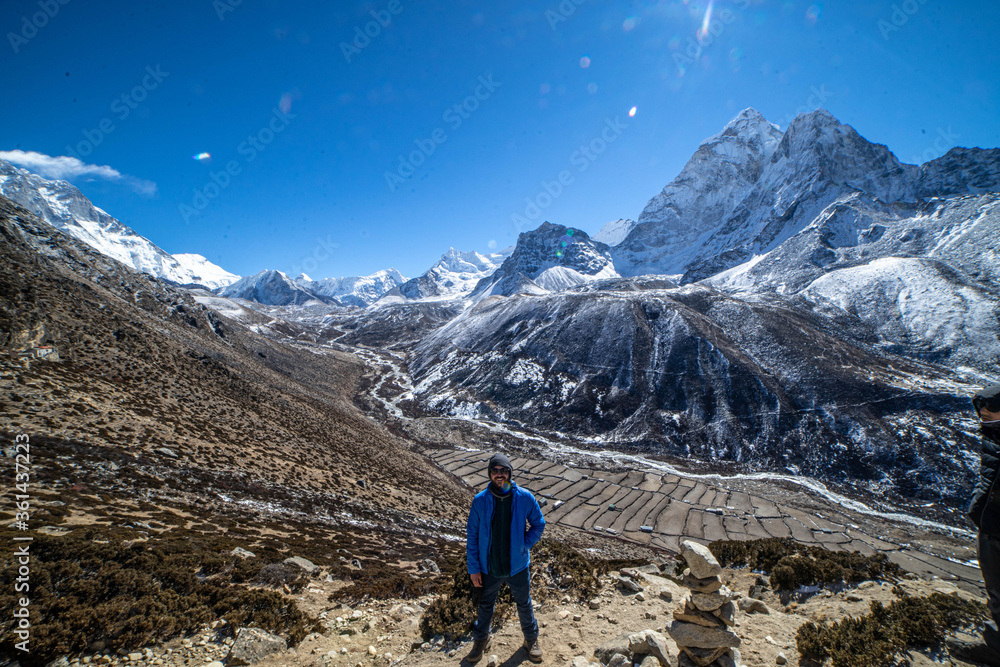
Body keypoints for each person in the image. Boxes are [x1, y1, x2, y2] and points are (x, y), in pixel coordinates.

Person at [465, 453, 546, 664]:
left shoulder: (524, 497)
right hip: (488, 566)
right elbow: (472, 536)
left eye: (503, 470)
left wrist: (523, 545)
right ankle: (481, 640)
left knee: (524, 604)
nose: (499, 475)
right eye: (495, 471)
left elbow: (539, 524)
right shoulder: (480, 500)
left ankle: (531, 639)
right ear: (490, 474)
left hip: (517, 566)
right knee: (485, 605)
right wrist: (473, 568)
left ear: (510, 472)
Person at [948, 384, 1000, 666]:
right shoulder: (993, 436)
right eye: (981, 407)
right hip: (991, 522)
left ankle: (996, 651)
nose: (983, 413)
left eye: (991, 409)